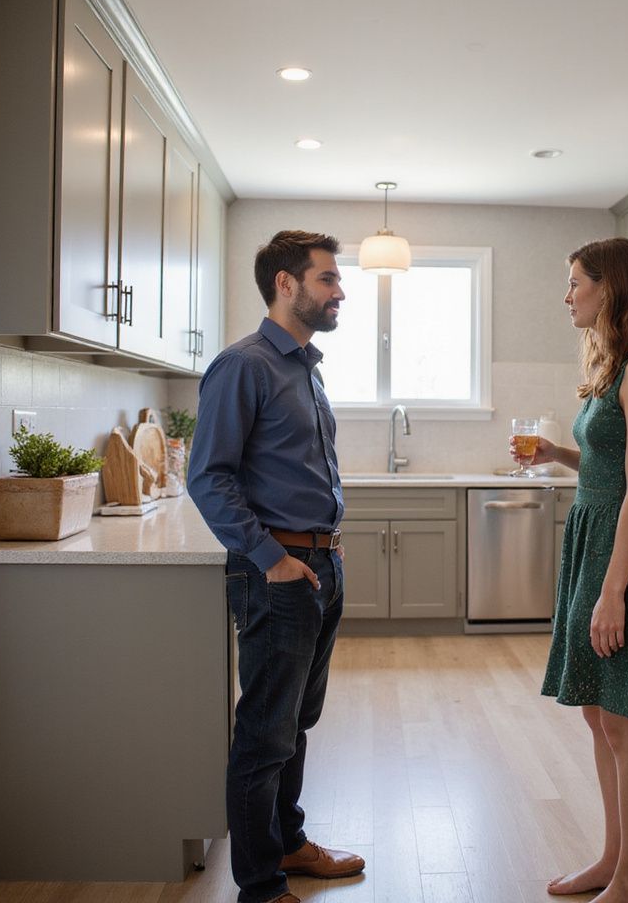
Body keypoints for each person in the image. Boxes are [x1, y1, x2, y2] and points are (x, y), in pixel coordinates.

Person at [187, 230, 363, 903]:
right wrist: (274, 559)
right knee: (264, 732)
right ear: (285, 285)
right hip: (278, 574)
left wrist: (323, 545)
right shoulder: (245, 365)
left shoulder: (305, 367)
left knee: (297, 721)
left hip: (320, 564)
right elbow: (209, 477)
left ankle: (288, 844)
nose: (339, 290)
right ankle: (260, 887)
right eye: (326, 278)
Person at [511, 237, 628, 903]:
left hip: (620, 556)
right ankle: (612, 860)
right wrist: (557, 451)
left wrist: (612, 593)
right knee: (596, 714)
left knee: (622, 718)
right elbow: (609, 469)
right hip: (592, 543)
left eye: (576, 282)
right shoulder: (611, 367)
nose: (568, 294)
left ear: (609, 287)